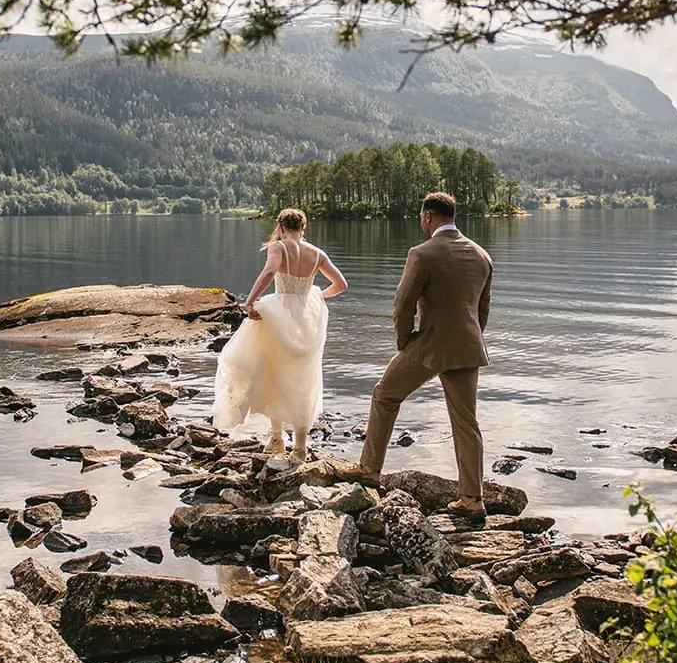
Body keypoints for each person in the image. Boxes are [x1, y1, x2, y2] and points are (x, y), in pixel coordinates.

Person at [355, 191, 494, 518]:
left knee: (385, 396)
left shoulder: (422, 253)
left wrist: (404, 342)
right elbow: (482, 311)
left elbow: (403, 304)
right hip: (467, 346)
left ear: (428, 217)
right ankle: (473, 499)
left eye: (421, 218)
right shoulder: (481, 255)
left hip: (428, 344)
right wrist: (469, 338)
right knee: (466, 423)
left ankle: (370, 470)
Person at [210, 208, 348, 459]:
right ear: (303, 229)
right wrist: (316, 295)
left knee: (273, 372)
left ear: (281, 228)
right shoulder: (317, 254)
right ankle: (301, 448)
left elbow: (270, 272)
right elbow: (341, 285)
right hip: (306, 320)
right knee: (303, 379)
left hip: (279, 315)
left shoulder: (279, 247)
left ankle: (277, 439)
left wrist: (251, 300)